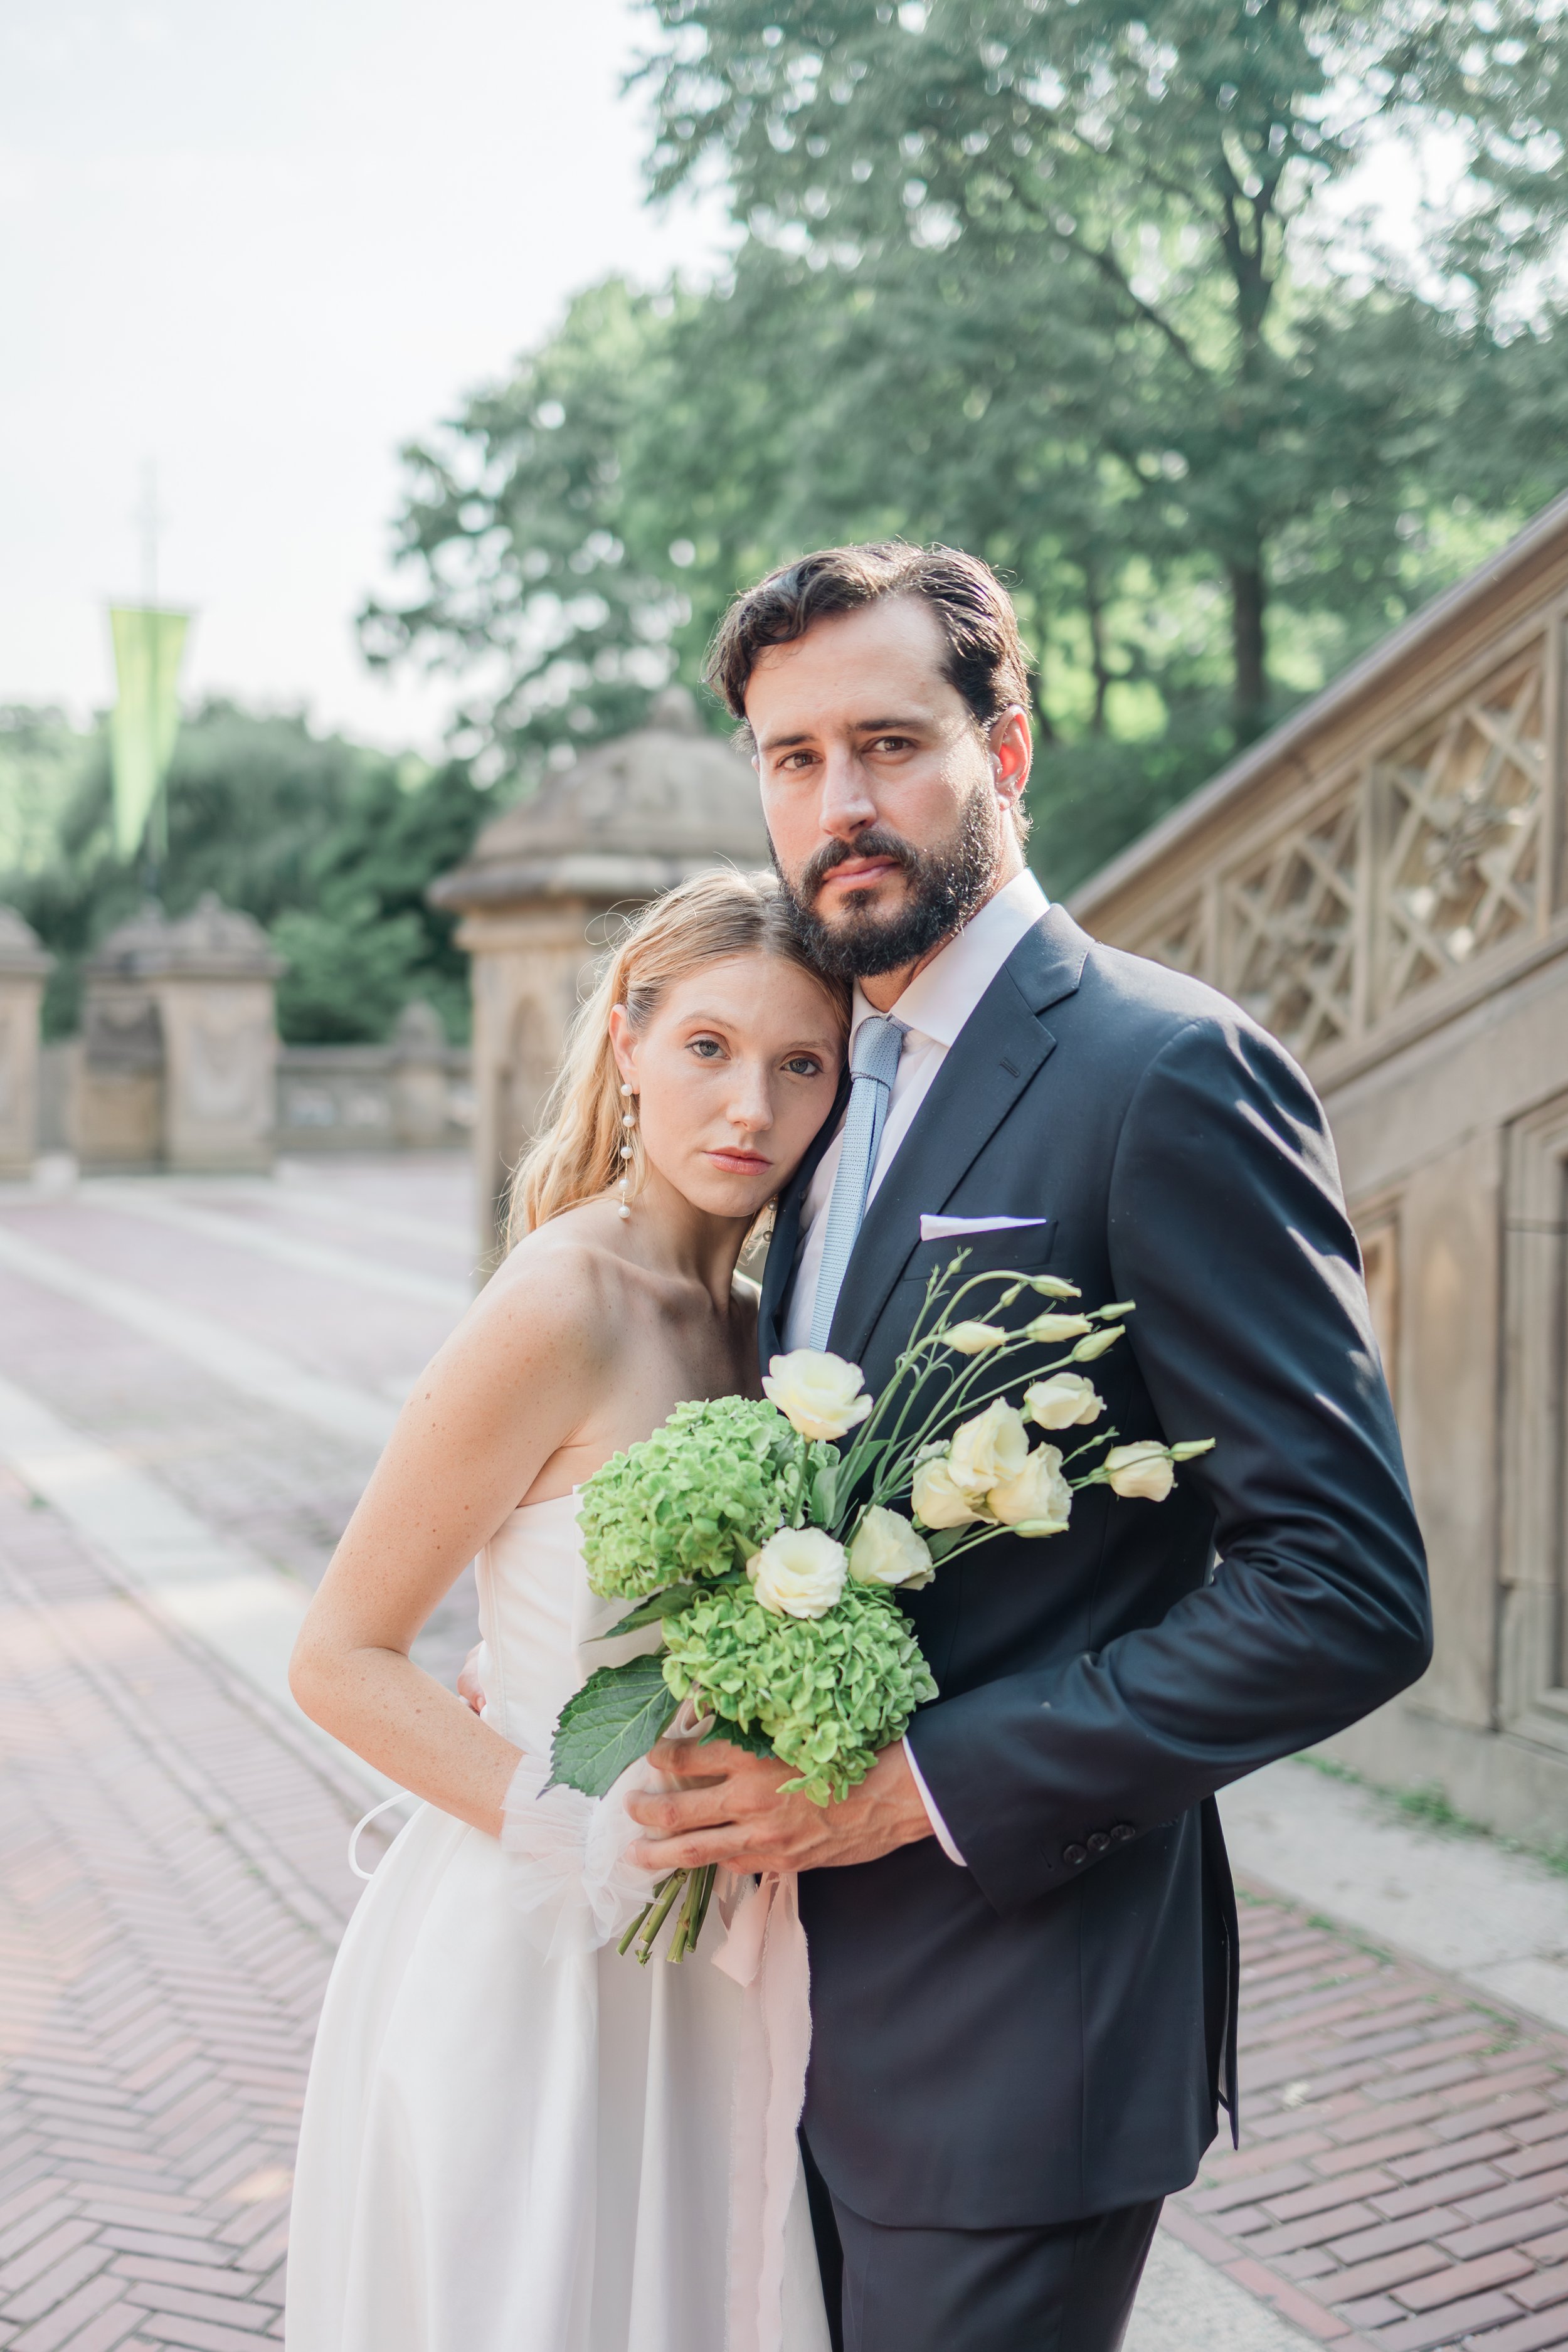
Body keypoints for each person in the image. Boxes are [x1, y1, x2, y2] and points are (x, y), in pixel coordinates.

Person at [620, 543, 1433, 2352]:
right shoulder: (824, 1082)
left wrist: (913, 1782)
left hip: (1018, 2028)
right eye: (790, 756)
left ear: (1006, 750)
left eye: (889, 741)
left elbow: (1345, 1588)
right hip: (789, 2017)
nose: (840, 802)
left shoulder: (1165, 1071)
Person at [283, 871, 846, 2352]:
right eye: (708, 1049)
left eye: (802, 1064)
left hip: (709, 1951)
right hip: (537, 1948)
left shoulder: (756, 1317)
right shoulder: (564, 1298)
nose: (751, 1107)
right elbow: (338, 1658)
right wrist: (584, 1831)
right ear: (625, 1047)